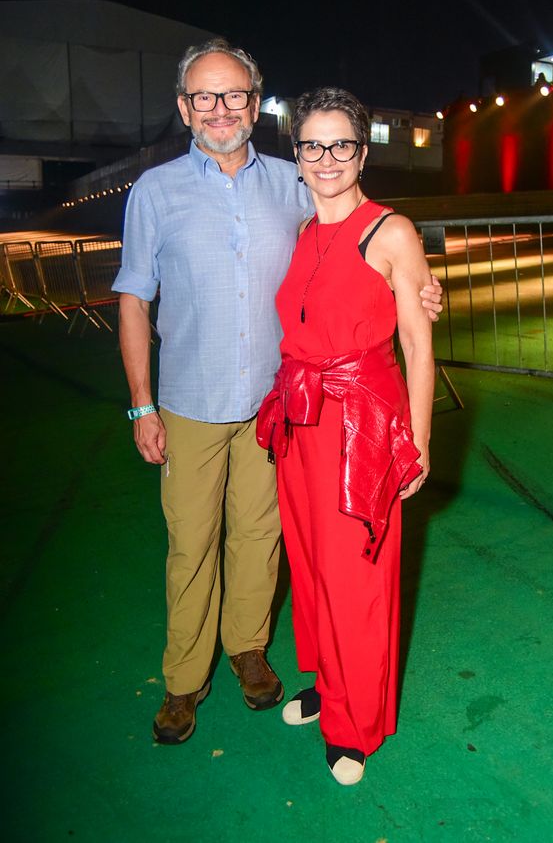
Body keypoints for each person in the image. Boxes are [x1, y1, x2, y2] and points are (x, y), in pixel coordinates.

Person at [112, 39, 442, 747]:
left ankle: (249, 651)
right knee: (192, 544)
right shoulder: (155, 191)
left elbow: (362, 233)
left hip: (280, 409)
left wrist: (419, 291)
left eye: (234, 95)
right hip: (193, 401)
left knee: (269, 540)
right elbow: (135, 298)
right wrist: (141, 403)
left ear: (255, 105)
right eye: (205, 96)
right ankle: (182, 680)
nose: (221, 109)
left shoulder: (293, 182)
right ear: (183, 108)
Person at [257, 87, 435, 785]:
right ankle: (332, 687)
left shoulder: (389, 230)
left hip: (361, 428)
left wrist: (415, 445)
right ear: (296, 153)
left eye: (341, 144)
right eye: (312, 144)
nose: (326, 158)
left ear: (362, 151)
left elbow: (419, 347)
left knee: (358, 576)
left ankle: (357, 723)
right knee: (312, 568)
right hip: (301, 425)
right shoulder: (304, 232)